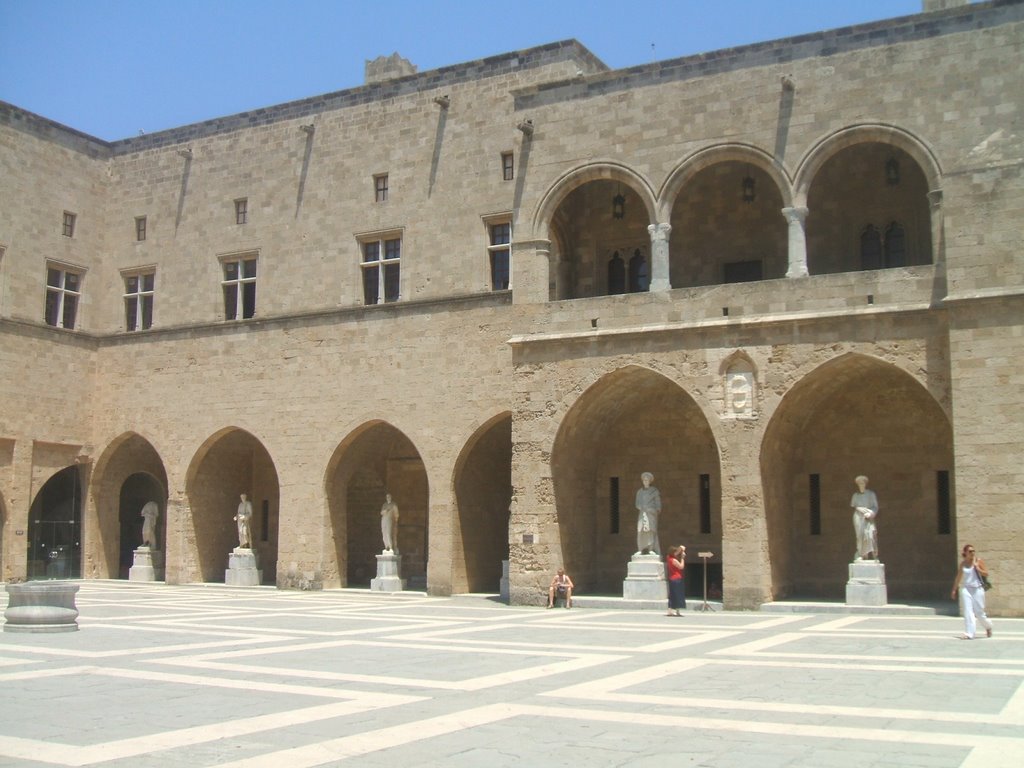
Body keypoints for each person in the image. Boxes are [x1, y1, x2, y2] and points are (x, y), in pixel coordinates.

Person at [951, 544, 993, 640]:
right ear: (965, 553)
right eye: (970, 551)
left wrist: (978, 568)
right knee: (968, 611)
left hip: (978, 589)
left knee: (979, 613)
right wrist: (954, 589)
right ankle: (969, 633)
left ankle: (988, 626)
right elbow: (958, 577)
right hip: (966, 589)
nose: (972, 553)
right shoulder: (963, 564)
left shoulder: (978, 561)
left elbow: (986, 573)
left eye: (973, 551)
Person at [850, 475, 878, 561]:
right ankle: (861, 554)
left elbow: (875, 507)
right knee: (860, 536)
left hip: (868, 517)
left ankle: (874, 554)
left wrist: (871, 513)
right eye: (859, 484)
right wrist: (860, 509)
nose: (861, 485)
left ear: (865, 484)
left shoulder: (871, 494)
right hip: (858, 517)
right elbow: (854, 505)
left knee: (870, 535)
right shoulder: (855, 495)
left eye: (862, 483)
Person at [635, 472, 661, 556]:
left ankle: (651, 549)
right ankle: (641, 549)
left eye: (647, 480)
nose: (645, 481)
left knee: (651, 530)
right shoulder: (639, 492)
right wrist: (641, 507)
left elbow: (658, 504)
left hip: (651, 514)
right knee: (640, 530)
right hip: (642, 513)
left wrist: (652, 510)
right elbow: (637, 503)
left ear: (650, 481)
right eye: (644, 480)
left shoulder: (654, 491)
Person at [666, 545, 686, 616]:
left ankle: (670, 610)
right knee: (678, 595)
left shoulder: (668, 558)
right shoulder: (674, 560)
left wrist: (681, 549)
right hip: (677, 578)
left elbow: (677, 552)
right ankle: (677, 610)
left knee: (672, 595)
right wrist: (682, 558)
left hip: (672, 578)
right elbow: (681, 567)